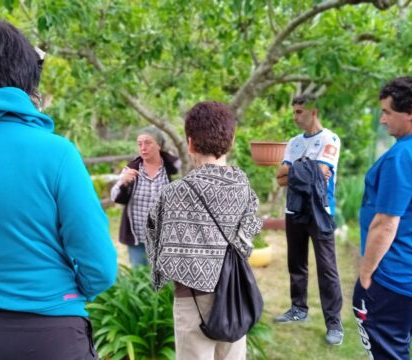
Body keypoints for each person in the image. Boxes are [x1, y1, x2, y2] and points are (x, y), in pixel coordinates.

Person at [0, 17, 117, 360]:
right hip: (48, 333)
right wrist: (66, 293)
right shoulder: (56, 152)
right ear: (26, 75)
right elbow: (100, 266)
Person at [146, 101, 262, 360]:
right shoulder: (242, 186)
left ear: (189, 143)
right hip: (234, 293)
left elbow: (154, 234)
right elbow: (251, 229)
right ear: (230, 142)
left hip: (192, 298)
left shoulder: (174, 193)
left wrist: (162, 271)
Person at [275, 94, 344, 345]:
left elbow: (322, 173)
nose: (295, 117)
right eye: (294, 112)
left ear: (314, 112)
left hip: (320, 210)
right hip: (294, 210)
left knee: (327, 268)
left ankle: (334, 323)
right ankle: (298, 309)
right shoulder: (293, 143)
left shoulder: (330, 139)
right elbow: (279, 177)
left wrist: (294, 170)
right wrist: (305, 170)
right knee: (296, 263)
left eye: (300, 112)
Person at [353, 77, 412, 360]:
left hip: (392, 276)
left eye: (388, 112)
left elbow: (387, 223)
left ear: (409, 113)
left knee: (387, 351)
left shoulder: (401, 156)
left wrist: (366, 274)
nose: (383, 120)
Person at [110, 127, 180, 267]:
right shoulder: (131, 169)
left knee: (165, 281)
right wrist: (124, 182)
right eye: (139, 143)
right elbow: (114, 196)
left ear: (159, 145)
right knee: (139, 278)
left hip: (166, 238)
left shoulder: (175, 167)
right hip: (138, 238)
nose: (143, 148)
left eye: (148, 143)